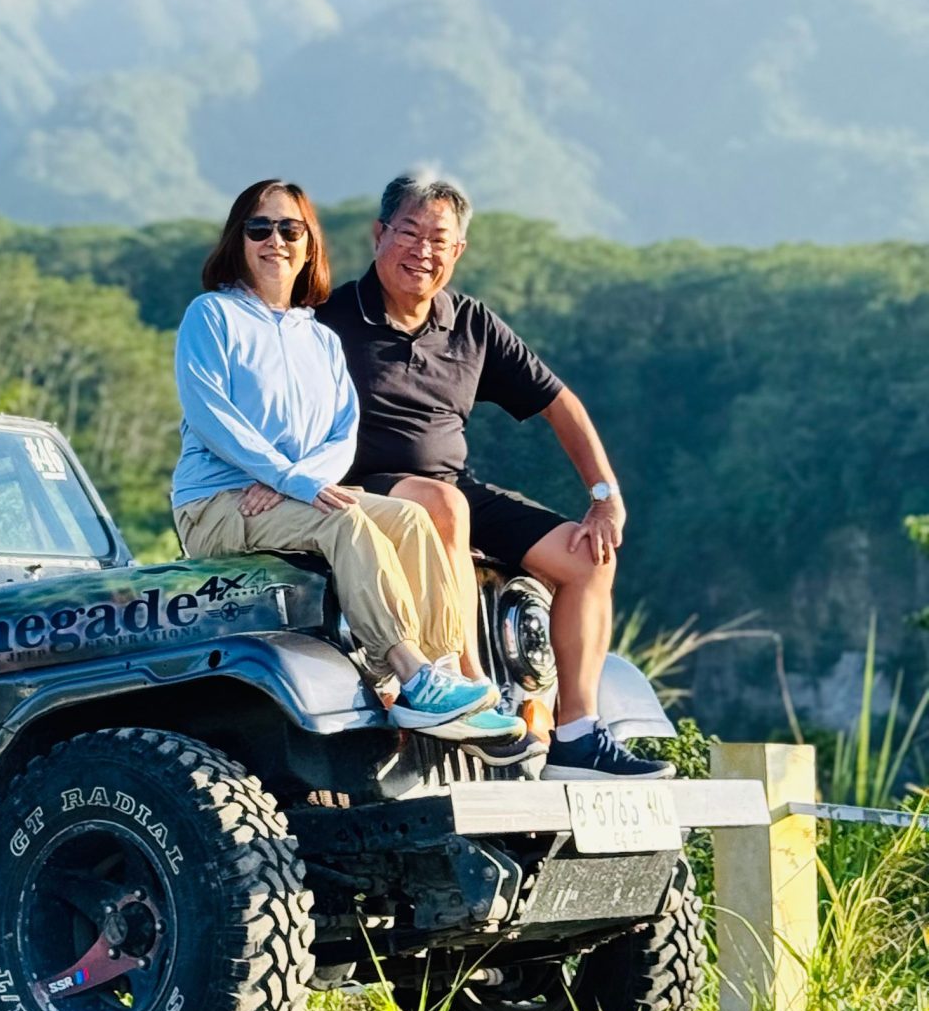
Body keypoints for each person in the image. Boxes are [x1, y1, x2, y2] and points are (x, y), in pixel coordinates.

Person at [319, 172, 670, 780]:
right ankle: (472, 690)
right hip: (358, 487)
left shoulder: (470, 323)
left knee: (589, 558)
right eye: (409, 233)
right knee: (442, 504)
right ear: (379, 235)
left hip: (451, 485)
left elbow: (561, 404)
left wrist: (604, 497)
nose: (422, 251)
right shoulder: (328, 318)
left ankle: (577, 736)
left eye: (439, 240)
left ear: (458, 251)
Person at [172, 178, 522, 740]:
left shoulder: (320, 339)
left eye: (291, 229)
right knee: (346, 520)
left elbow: (343, 435)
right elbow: (213, 418)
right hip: (217, 503)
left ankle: (445, 676)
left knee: (411, 518)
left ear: (309, 243)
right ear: (239, 239)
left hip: (287, 494)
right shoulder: (212, 315)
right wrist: (287, 478)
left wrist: (296, 482)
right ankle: (410, 675)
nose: (275, 241)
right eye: (259, 228)